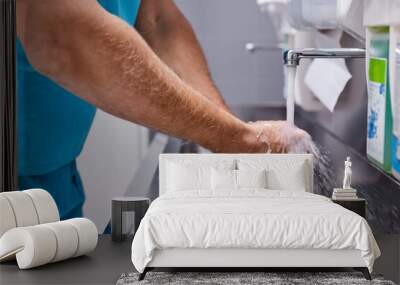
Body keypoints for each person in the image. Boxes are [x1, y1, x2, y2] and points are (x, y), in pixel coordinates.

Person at [16, 0, 310, 219]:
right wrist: (235, 138)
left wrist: (229, 134)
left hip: (55, 181)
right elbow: (60, 36)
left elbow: (157, 19)